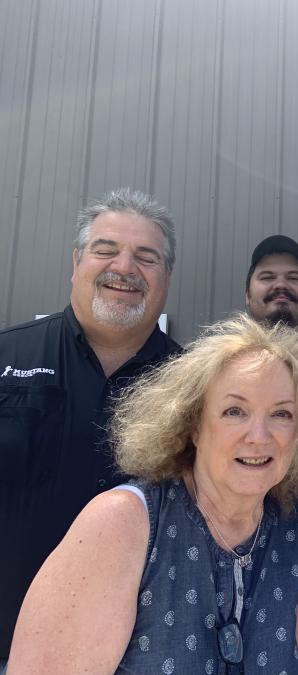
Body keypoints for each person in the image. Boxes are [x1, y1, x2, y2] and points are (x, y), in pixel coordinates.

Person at [8, 315, 298, 674]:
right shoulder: (122, 522)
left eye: (282, 414)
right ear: (193, 425)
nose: (259, 435)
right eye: (234, 411)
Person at [0, 187, 182, 669]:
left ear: (167, 277)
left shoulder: (193, 387)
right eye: (106, 250)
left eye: (146, 257)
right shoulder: (5, 357)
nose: (124, 267)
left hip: (137, 655)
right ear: (77, 260)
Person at [246, 234, 298, 331]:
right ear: (247, 295)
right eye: (267, 277)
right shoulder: (223, 347)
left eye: (293, 278)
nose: (281, 285)